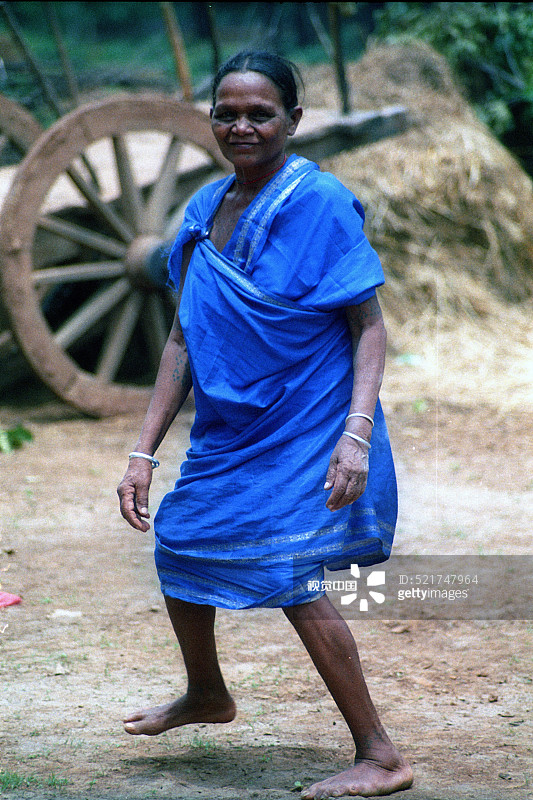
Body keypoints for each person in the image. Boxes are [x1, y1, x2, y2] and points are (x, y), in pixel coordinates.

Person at [117, 49, 413, 799]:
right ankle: (207, 695)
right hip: (231, 427)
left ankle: (380, 755)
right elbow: (184, 337)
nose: (241, 125)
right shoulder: (199, 211)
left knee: (285, 572)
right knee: (180, 536)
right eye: (227, 112)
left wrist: (355, 434)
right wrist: (141, 451)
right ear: (209, 119)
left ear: (292, 120)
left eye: (260, 113)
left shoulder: (321, 203)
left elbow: (368, 327)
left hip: (308, 421)